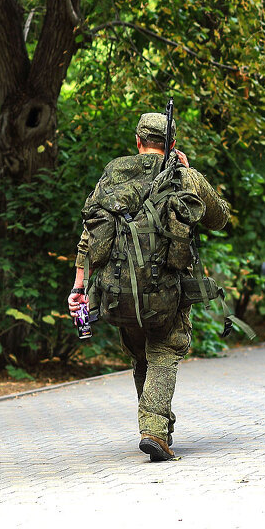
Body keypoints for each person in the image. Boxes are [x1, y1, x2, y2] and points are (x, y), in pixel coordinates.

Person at [68, 112, 229, 462]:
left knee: (142, 354)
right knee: (165, 349)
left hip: (119, 291)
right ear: (171, 145)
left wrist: (79, 288)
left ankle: (157, 427)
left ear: (138, 143)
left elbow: (90, 235)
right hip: (167, 290)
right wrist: (189, 173)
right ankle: (154, 430)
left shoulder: (114, 175)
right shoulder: (184, 176)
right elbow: (220, 217)